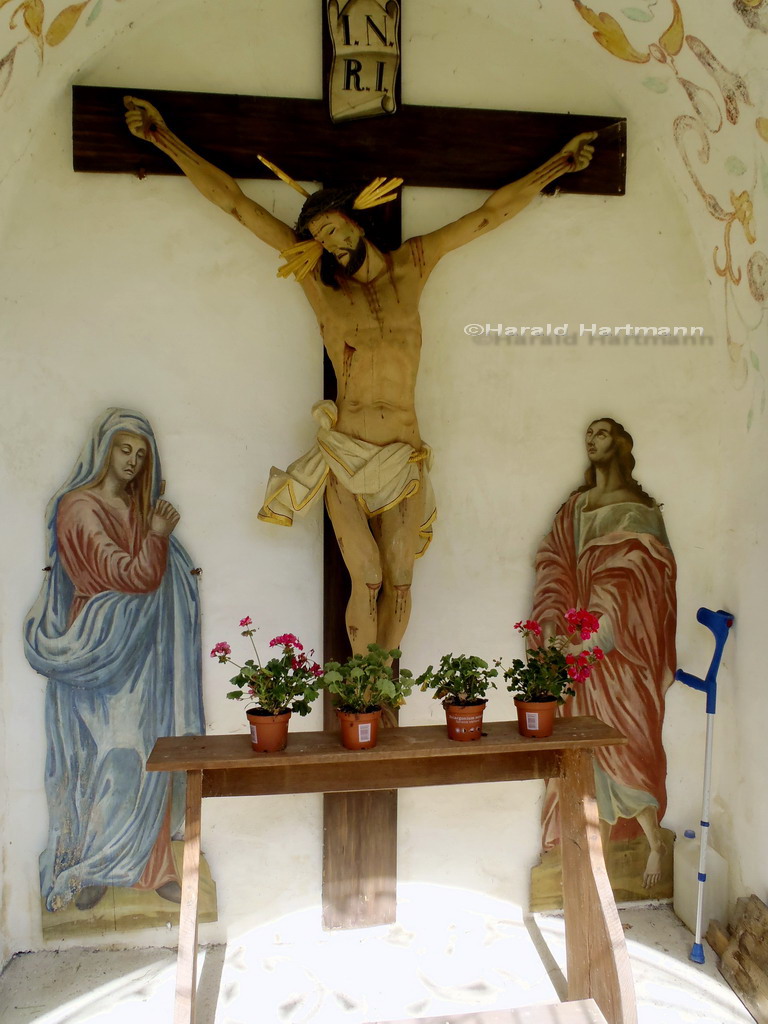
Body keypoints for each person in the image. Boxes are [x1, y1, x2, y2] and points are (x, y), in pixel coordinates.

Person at [125, 96, 596, 655]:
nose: (332, 243)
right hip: (346, 456)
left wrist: (559, 166)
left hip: (403, 454)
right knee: (365, 576)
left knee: (399, 581)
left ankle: (384, 698)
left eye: (335, 228)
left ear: (356, 219)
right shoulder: (324, 293)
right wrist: (162, 138)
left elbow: (489, 214)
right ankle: (360, 698)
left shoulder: (415, 265)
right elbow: (234, 203)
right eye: (319, 238)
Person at [24, 408, 204, 912]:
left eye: (140, 454)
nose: (131, 461)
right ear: (104, 448)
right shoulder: (77, 507)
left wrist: (159, 538)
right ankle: (98, 865)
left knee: (150, 750)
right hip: (101, 643)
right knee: (113, 753)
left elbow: (156, 572)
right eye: (124, 449)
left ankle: (154, 867)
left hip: (145, 647)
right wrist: (159, 535)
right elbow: (129, 574)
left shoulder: (135, 507)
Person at [531, 418, 677, 889]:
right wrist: (557, 628)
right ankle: (594, 856)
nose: (592, 440)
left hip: (624, 658)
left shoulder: (640, 510)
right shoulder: (575, 508)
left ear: (622, 445)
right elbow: (554, 563)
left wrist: (602, 635)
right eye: (588, 434)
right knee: (588, 755)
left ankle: (655, 844)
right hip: (580, 656)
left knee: (629, 744)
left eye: (602, 433)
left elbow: (644, 585)